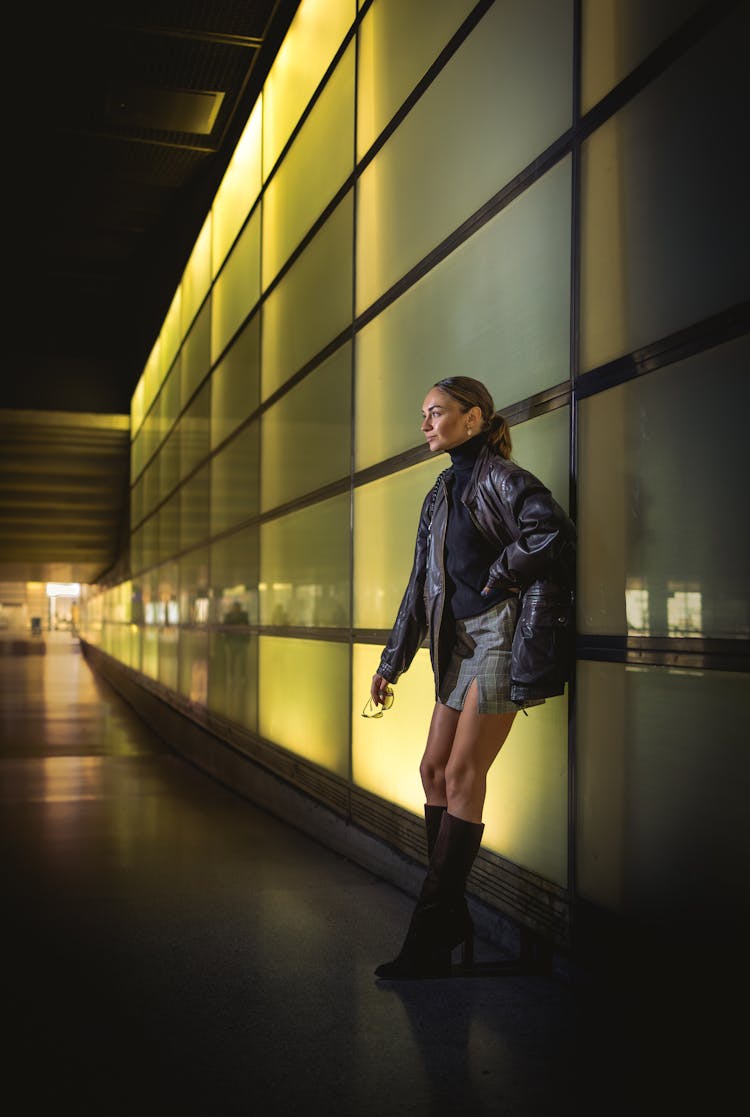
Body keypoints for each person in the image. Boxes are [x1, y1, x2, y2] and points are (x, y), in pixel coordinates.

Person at [370, 376, 575, 980]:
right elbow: (419, 587)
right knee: (432, 770)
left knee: (462, 773)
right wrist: (391, 662)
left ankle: (429, 932)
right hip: (456, 644)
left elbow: (552, 531)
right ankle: (451, 916)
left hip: (498, 635)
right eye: (424, 415)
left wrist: (502, 573)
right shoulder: (440, 492)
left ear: (474, 417)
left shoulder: (501, 478)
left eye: (437, 413)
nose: (426, 424)